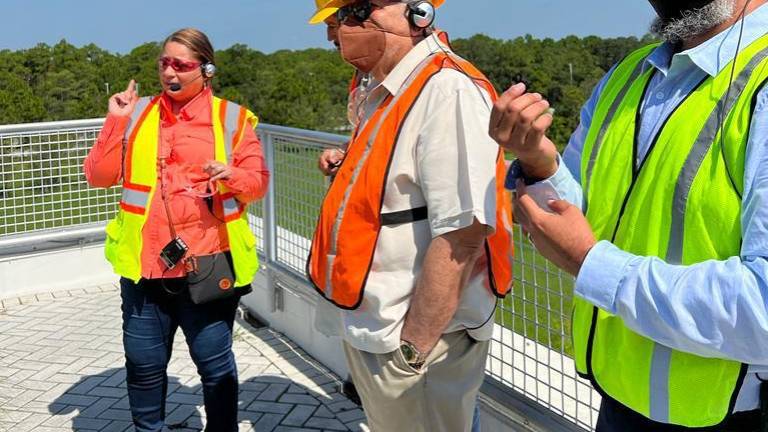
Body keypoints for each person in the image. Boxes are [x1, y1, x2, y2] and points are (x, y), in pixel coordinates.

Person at [490, 0, 768, 430]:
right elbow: (581, 212)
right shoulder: (629, 74)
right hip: (618, 395)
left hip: (730, 416)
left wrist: (590, 263)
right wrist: (539, 162)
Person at [307, 1, 514, 431]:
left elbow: (464, 232)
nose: (337, 34)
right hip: (379, 323)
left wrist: (412, 352)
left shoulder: (447, 90)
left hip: (415, 340)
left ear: (418, 13)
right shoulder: (385, 88)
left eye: (348, 15)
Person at [84, 28, 269, 432]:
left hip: (206, 267)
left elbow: (258, 182)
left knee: (215, 368)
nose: (170, 72)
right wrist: (114, 122)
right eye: (164, 62)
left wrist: (232, 175)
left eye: (181, 65)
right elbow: (99, 176)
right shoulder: (137, 114)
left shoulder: (231, 118)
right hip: (145, 268)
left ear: (206, 69)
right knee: (144, 365)